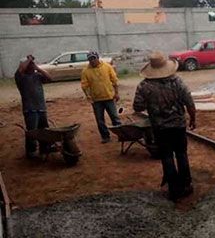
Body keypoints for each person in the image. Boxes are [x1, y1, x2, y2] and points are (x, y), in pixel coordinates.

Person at [133, 52, 197, 201]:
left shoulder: (144, 86)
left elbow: (137, 107)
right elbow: (189, 102)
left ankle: (173, 189)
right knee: (181, 154)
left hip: (160, 128)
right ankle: (186, 185)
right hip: (178, 126)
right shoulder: (177, 82)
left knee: (166, 156)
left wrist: (152, 105)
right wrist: (193, 118)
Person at [14, 55, 52, 158]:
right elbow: (21, 69)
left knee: (43, 130)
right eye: (29, 65)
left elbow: (50, 78)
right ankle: (31, 151)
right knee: (32, 132)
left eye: (32, 64)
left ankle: (44, 149)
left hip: (41, 107)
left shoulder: (37, 76)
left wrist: (37, 68)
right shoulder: (20, 77)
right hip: (30, 109)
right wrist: (29, 60)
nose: (31, 66)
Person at [81, 51, 121, 143]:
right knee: (100, 120)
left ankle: (121, 135)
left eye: (94, 58)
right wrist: (88, 96)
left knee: (115, 117)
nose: (92, 61)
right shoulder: (85, 71)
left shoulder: (107, 67)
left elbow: (114, 80)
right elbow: (84, 85)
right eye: (90, 59)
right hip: (96, 100)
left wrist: (117, 93)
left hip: (109, 97)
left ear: (98, 58)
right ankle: (105, 137)